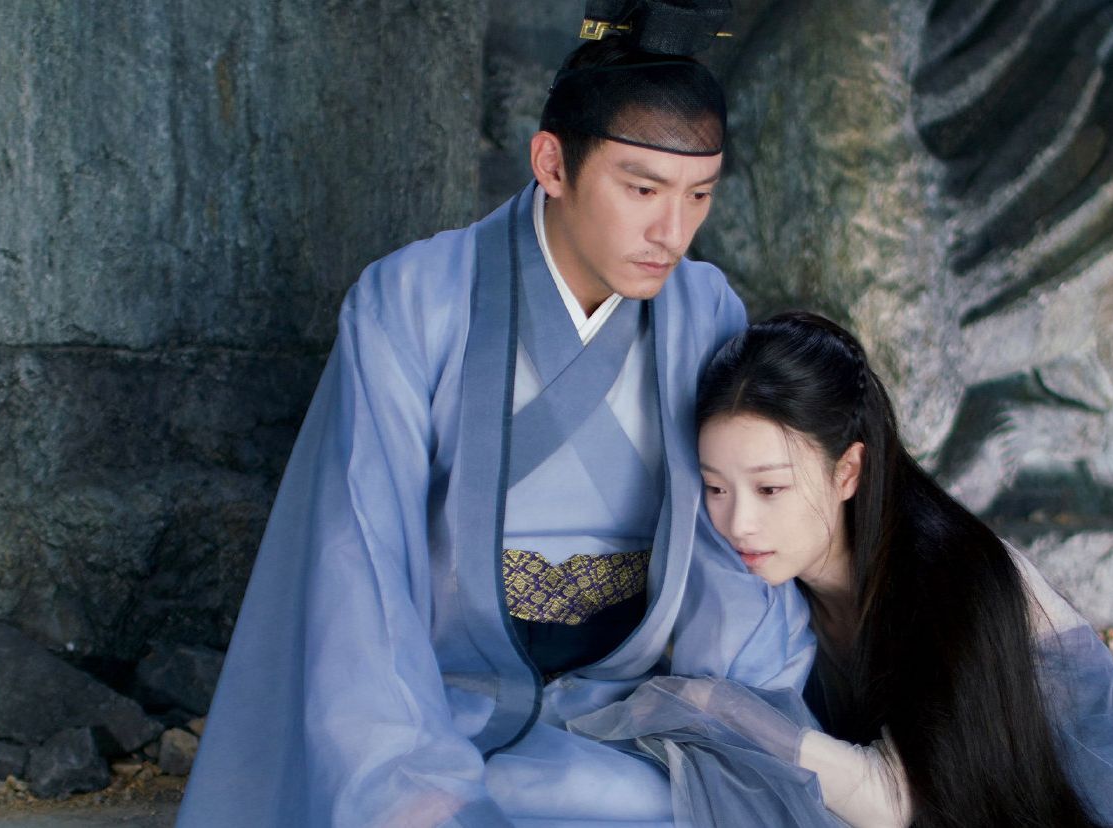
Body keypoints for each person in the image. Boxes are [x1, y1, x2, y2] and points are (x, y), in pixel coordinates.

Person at [175, 4, 814, 827]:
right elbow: (361, 550)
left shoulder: (705, 307)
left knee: (698, 799)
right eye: (642, 189)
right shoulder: (413, 300)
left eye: (699, 196)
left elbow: (727, 546)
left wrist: (748, 719)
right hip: (440, 693)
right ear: (552, 163)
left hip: (623, 700)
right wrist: (400, 764)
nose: (673, 232)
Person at [572, 311, 1113, 827]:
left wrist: (716, 709)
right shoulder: (783, 579)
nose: (737, 524)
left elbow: (898, 800)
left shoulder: (945, 576)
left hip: (1097, 803)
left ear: (847, 471)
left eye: (771, 488)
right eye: (716, 488)